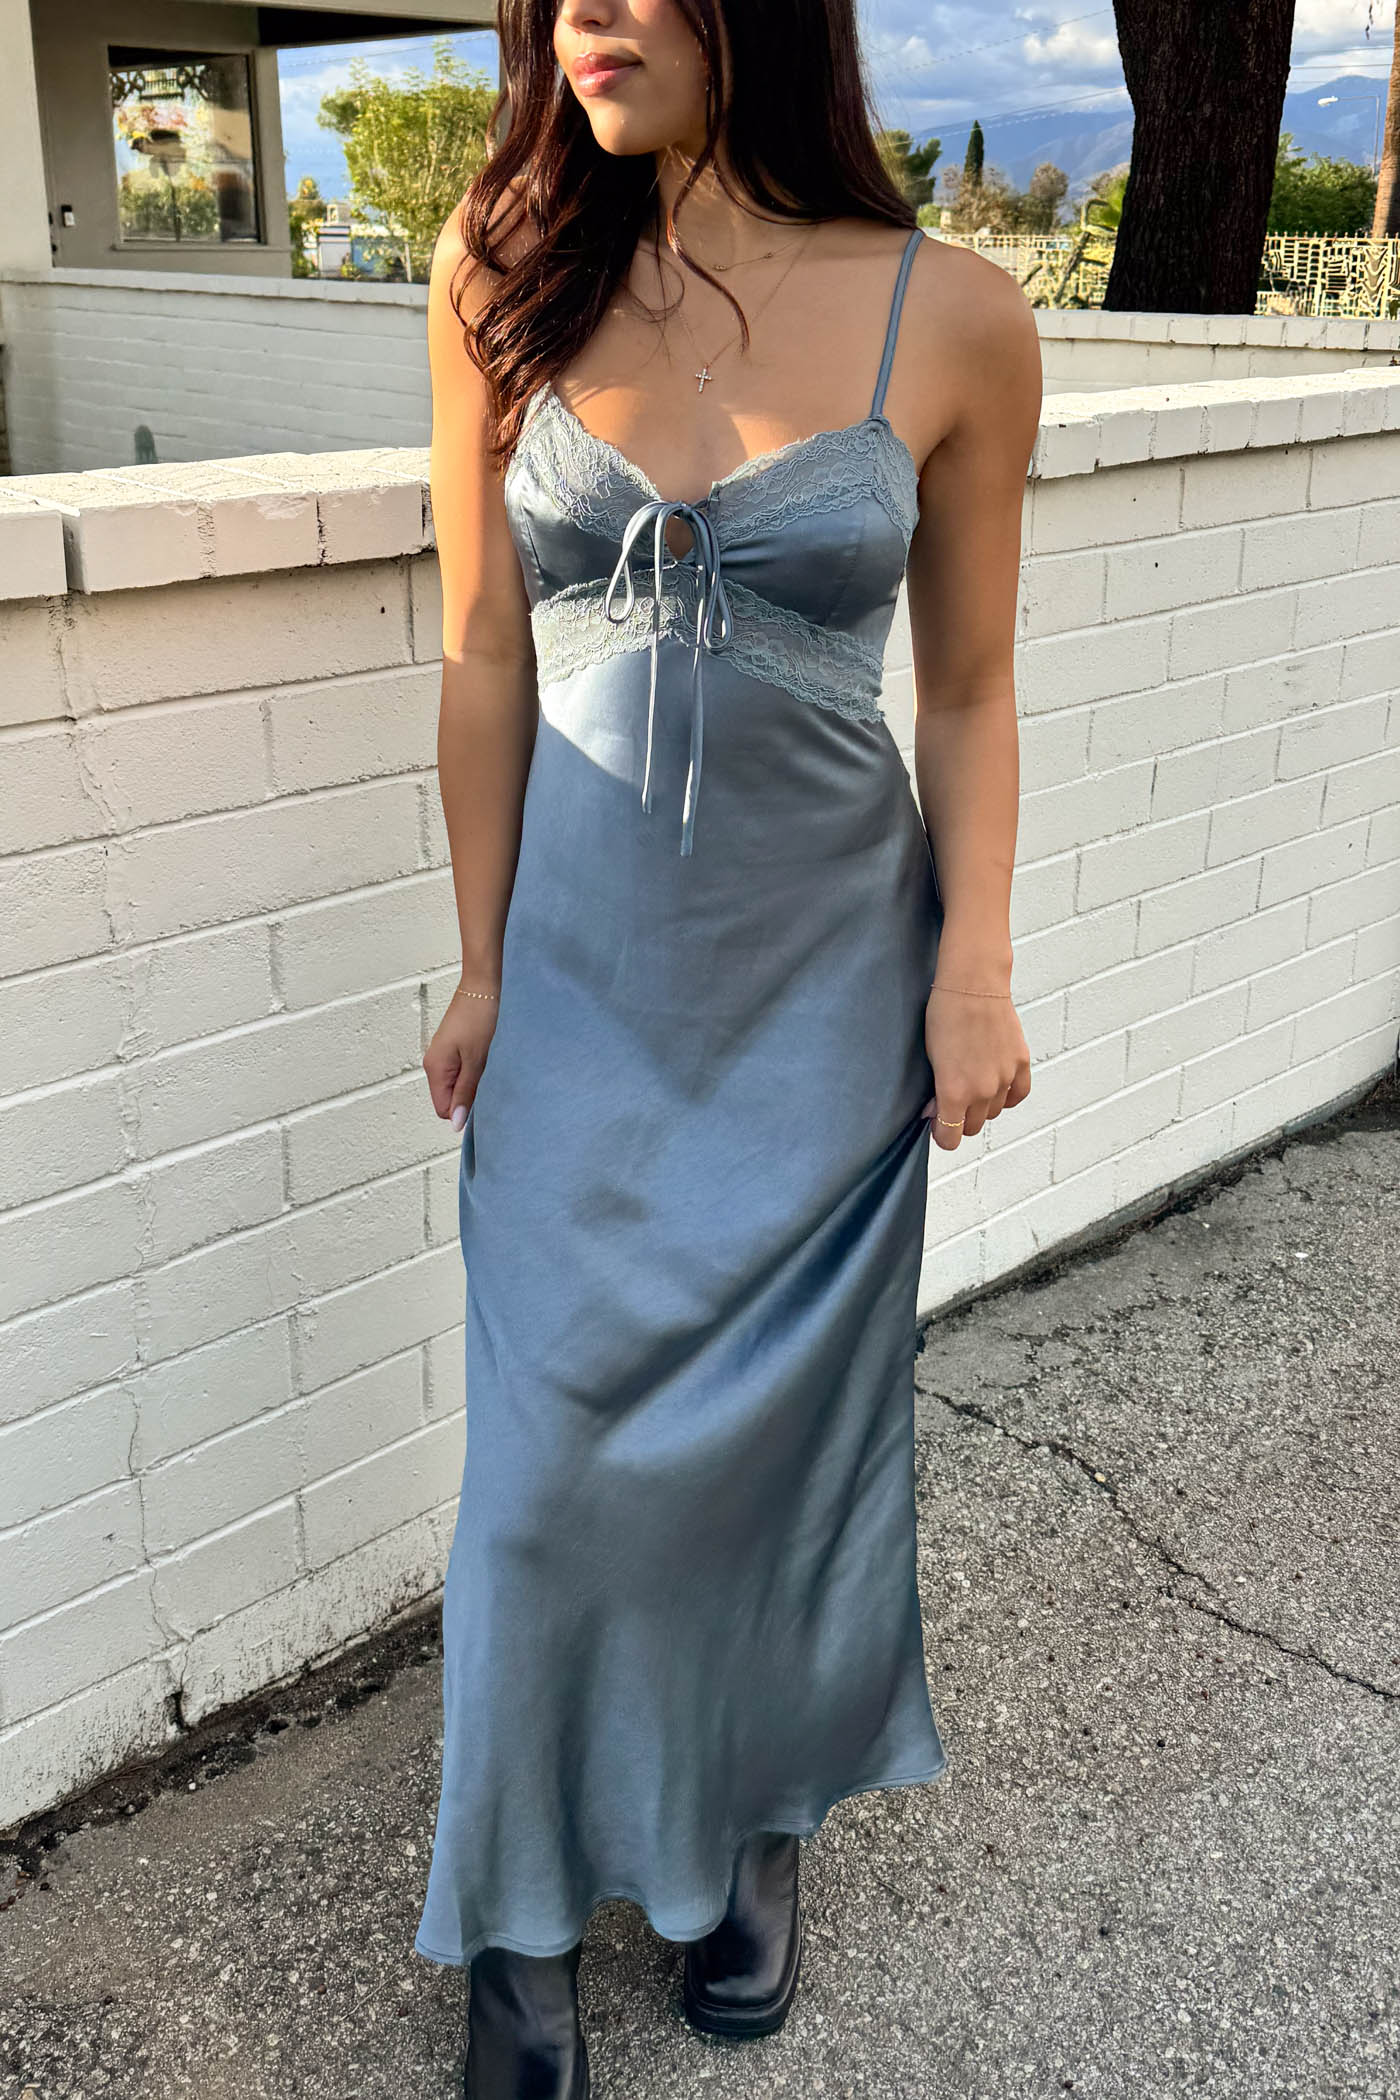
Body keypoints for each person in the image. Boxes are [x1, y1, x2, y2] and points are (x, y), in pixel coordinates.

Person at [416, 1, 1039, 2091]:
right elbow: (482, 651)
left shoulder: (951, 315)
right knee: (539, 1486)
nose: (583, 19)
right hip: (580, 990)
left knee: (781, 1461)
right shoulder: (501, 275)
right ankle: (514, 1925)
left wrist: (971, 972)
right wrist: (481, 960)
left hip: (823, 987)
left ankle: (755, 1835)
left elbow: (962, 692)